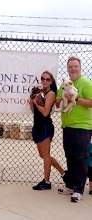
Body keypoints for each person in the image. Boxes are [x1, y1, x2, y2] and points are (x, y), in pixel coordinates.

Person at [56, 56, 92, 203]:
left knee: (81, 158)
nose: (73, 69)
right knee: (70, 157)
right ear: (67, 68)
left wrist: (75, 99)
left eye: (75, 66)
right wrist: (64, 97)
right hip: (67, 126)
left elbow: (90, 102)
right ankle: (70, 186)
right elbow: (58, 103)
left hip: (82, 127)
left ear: (80, 67)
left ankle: (78, 190)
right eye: (70, 66)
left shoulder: (86, 83)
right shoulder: (63, 84)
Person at [30, 71, 65, 190]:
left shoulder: (50, 94)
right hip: (38, 125)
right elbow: (33, 111)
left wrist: (36, 102)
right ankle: (64, 174)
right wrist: (32, 100)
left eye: (47, 79)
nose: (44, 81)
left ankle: (47, 181)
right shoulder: (41, 93)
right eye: (42, 79)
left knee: (46, 155)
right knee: (43, 155)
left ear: (51, 81)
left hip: (45, 126)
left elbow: (45, 112)